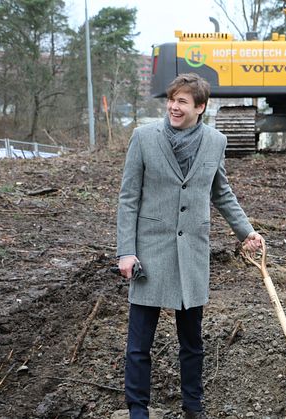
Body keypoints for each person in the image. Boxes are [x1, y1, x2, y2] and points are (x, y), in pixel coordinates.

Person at [115, 73, 263, 419]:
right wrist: (126, 250)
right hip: (149, 252)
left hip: (192, 253)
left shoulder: (216, 141)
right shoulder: (144, 137)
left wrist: (246, 232)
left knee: (192, 343)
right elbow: (128, 198)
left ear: (200, 106)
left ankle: (193, 407)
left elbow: (221, 192)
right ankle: (138, 408)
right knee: (139, 344)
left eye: (182, 101)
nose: (173, 106)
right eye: (171, 100)